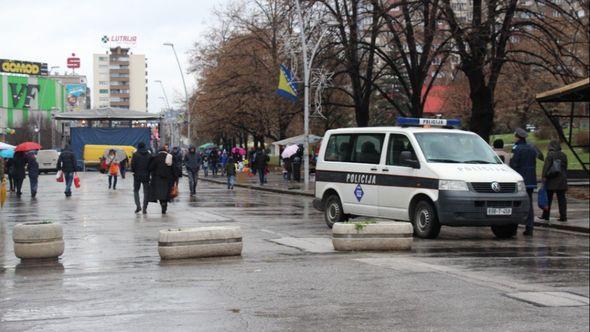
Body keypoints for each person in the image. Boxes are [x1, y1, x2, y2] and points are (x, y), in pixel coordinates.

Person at [509, 128, 539, 236]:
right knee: (529, 203)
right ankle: (529, 227)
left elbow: (513, 164)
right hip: (531, 179)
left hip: (520, 179)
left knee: (516, 203)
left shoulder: (516, 148)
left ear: (517, 137)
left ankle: (513, 228)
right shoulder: (531, 148)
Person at [540, 140, 568, 222]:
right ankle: (563, 216)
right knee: (562, 199)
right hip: (562, 180)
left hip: (551, 180)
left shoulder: (550, 155)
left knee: (548, 198)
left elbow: (546, 167)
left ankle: (546, 215)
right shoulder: (564, 155)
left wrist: (544, 177)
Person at [149, 146, 174, 214]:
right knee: (166, 193)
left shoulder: (156, 157)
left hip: (158, 178)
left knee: (160, 194)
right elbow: (173, 168)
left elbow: (151, 167)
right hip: (168, 178)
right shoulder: (170, 157)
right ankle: (165, 204)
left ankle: (162, 204)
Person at [131, 142, 152, 214]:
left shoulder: (135, 154)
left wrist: (133, 171)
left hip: (137, 176)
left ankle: (138, 206)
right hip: (146, 176)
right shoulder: (149, 155)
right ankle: (144, 208)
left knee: (136, 191)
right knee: (146, 192)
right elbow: (151, 165)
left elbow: (132, 165)